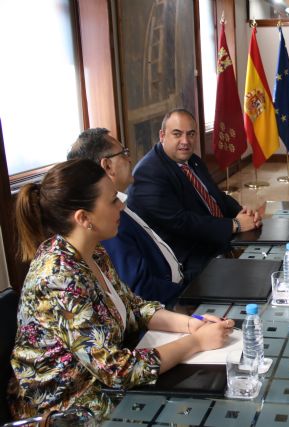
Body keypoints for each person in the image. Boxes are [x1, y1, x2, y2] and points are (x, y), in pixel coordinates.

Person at [9, 159, 235, 420]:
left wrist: (190, 325)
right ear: (84, 218)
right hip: (68, 405)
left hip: (100, 381)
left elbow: (132, 307)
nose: (122, 205)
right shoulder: (59, 278)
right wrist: (196, 342)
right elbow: (116, 371)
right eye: (112, 200)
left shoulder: (93, 249)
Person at [127, 109, 261, 280]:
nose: (185, 141)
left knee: (270, 259)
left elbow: (215, 196)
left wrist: (242, 212)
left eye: (190, 134)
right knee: (252, 278)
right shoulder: (148, 173)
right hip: (187, 256)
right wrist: (235, 224)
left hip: (212, 238)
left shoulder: (192, 160)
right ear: (162, 135)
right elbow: (182, 222)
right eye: (177, 134)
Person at [68, 128, 184, 305]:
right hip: (170, 303)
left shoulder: (117, 205)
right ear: (107, 166)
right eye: (124, 153)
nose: (129, 159)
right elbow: (141, 290)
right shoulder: (107, 222)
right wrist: (189, 296)